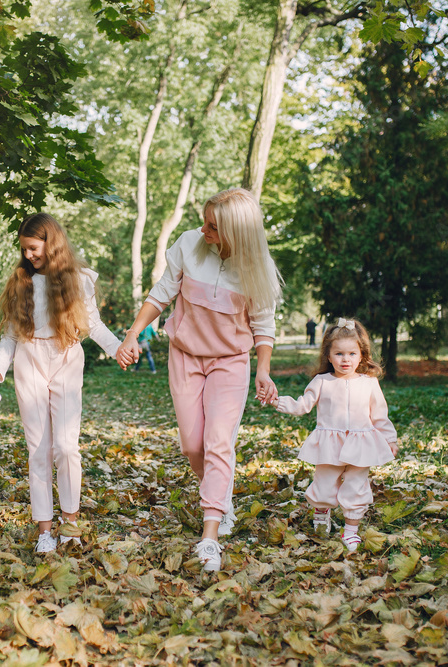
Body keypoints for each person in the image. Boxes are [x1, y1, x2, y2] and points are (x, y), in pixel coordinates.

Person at [117, 187, 282, 572]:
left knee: (218, 441)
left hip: (230, 362)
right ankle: (220, 494)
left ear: (236, 234)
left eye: (213, 226)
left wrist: (263, 369)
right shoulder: (190, 243)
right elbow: (161, 294)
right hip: (186, 357)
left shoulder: (257, 268)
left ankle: (210, 535)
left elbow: (263, 326)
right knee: (194, 446)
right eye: (205, 221)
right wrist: (131, 334)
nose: (204, 229)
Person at [0, 213, 133, 553]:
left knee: (66, 447)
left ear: (51, 244)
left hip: (66, 357)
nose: (28, 256)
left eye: (34, 249)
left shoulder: (78, 280)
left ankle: (71, 523)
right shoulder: (22, 280)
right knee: (38, 450)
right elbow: (10, 335)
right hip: (28, 360)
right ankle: (44, 531)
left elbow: (93, 324)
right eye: (24, 250)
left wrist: (117, 349)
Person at [270, 318, 397, 552]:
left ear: (362, 355)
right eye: (338, 353)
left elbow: (380, 414)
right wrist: (278, 401)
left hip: (361, 443)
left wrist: (390, 438)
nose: (345, 359)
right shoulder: (322, 382)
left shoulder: (369, 383)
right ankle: (321, 512)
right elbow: (302, 405)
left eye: (351, 353)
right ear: (328, 356)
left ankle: (350, 530)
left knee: (357, 486)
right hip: (330, 444)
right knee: (325, 485)